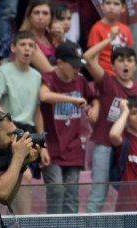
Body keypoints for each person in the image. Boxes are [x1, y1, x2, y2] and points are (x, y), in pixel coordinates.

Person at [84, 27, 137, 213]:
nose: (125, 64)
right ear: (113, 65)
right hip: (105, 144)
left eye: (130, 60)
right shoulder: (107, 81)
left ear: (136, 66)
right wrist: (109, 40)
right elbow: (88, 57)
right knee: (99, 193)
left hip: (130, 147)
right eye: (120, 60)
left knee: (130, 193)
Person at [0, 30, 48, 215]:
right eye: (23, 45)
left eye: (31, 46)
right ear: (14, 47)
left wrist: (44, 146)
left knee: (22, 179)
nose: (27, 49)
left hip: (27, 130)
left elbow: (37, 111)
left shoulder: (37, 76)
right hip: (6, 130)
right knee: (23, 177)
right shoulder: (3, 70)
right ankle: (23, 225)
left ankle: (22, 226)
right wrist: (11, 126)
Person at [38, 41, 99, 214]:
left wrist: (95, 108)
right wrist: (72, 100)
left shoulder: (80, 79)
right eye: (73, 66)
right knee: (56, 188)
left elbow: (94, 98)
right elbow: (44, 96)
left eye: (79, 65)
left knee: (71, 192)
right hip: (51, 146)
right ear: (60, 63)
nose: (77, 70)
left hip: (73, 147)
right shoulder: (49, 78)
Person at [87, 0, 135, 76]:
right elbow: (94, 60)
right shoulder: (96, 29)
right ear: (102, 7)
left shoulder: (126, 29)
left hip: (123, 76)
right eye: (108, 3)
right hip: (106, 76)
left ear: (123, 8)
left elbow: (130, 56)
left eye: (116, 4)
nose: (111, 7)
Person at [18, 0, 55, 74]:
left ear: (51, 17)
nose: (40, 17)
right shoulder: (26, 39)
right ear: (29, 16)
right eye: (36, 13)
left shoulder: (51, 37)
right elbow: (48, 71)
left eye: (45, 13)